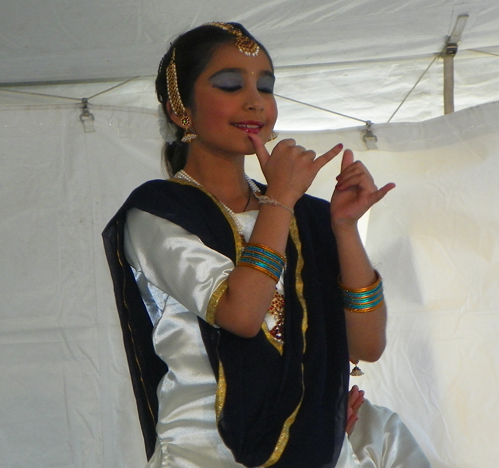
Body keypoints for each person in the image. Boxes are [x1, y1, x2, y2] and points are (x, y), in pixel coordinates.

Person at [103, 22, 395, 468]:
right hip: (206, 455)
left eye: (266, 86)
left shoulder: (306, 214)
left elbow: (367, 347)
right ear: (181, 110)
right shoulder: (158, 211)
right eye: (229, 85)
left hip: (316, 451)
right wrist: (279, 199)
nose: (255, 101)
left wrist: (344, 228)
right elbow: (240, 314)